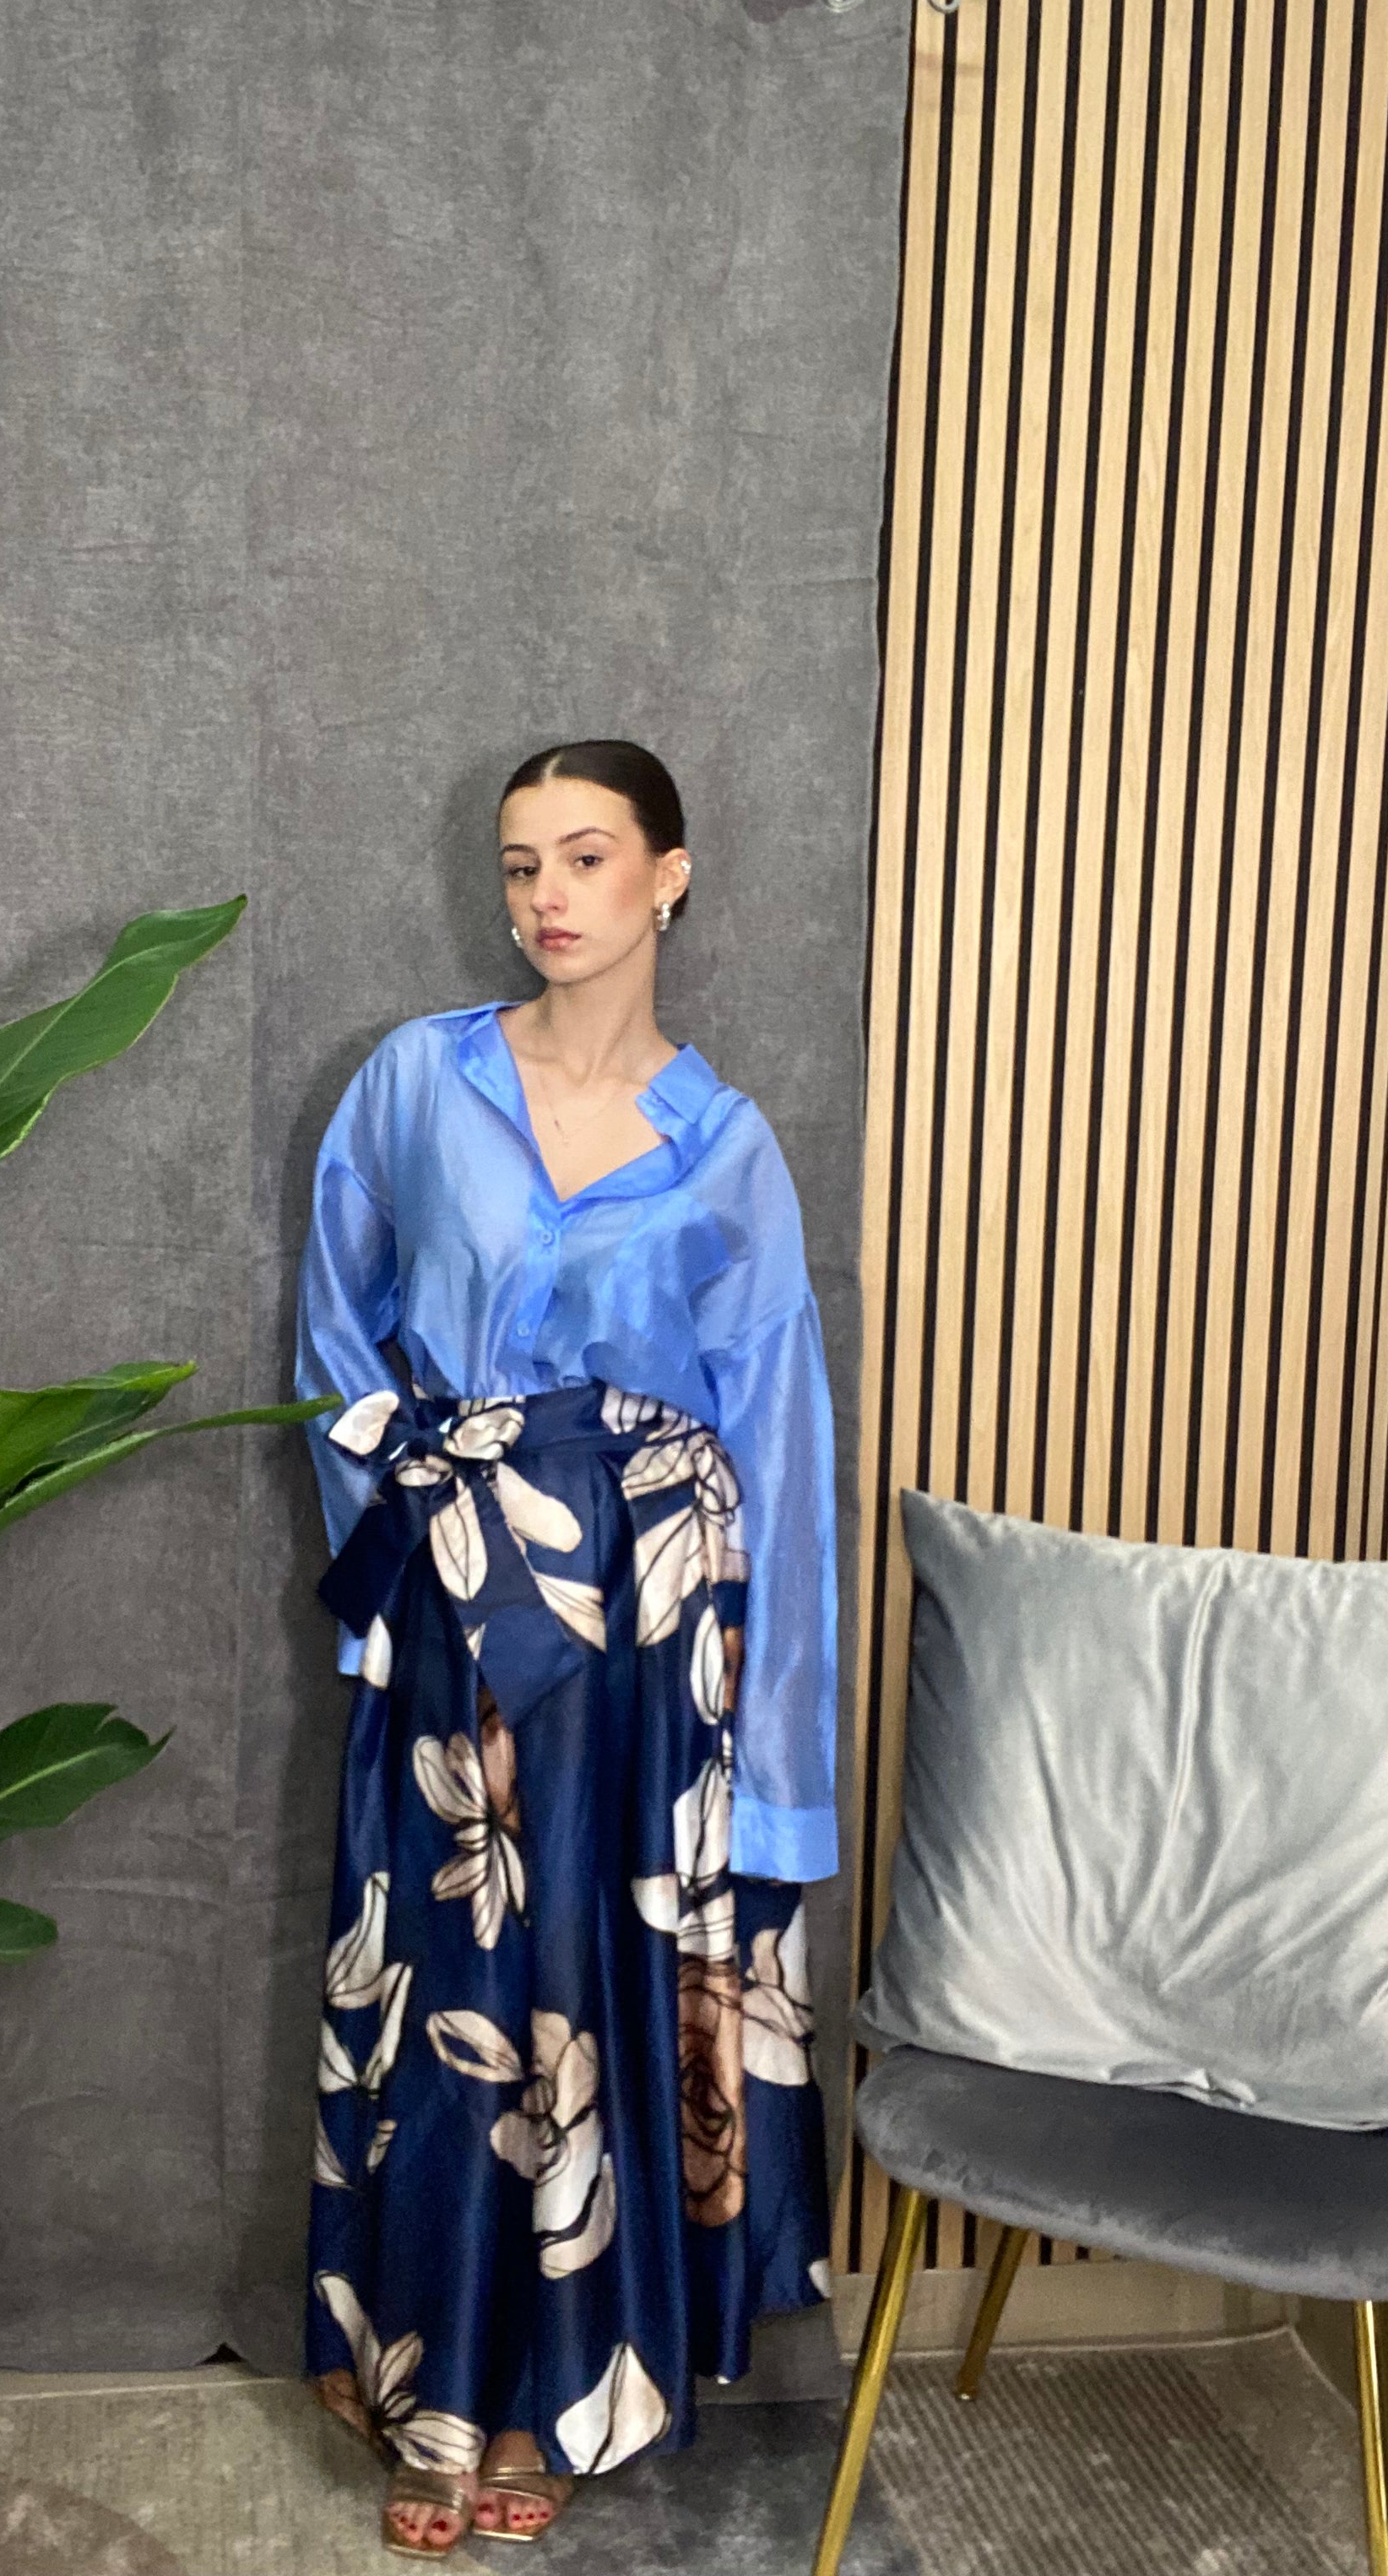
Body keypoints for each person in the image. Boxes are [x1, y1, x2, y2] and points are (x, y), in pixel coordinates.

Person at [297, 740, 839, 2558]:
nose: (547, 894)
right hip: (458, 1607)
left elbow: (781, 1450)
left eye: (588, 856)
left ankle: (547, 2395)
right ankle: (437, 2388)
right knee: (453, 1993)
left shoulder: (725, 1144)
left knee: (592, 2001)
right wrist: (402, 1559)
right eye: (522, 860)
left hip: (651, 1648)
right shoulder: (415, 1083)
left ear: (668, 875)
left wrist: (775, 1764)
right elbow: (337, 1335)